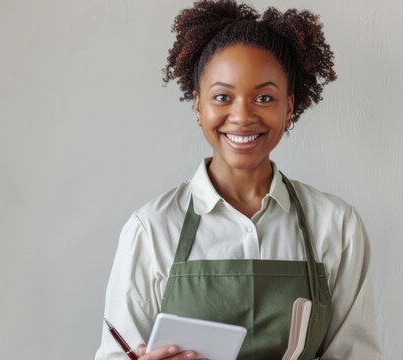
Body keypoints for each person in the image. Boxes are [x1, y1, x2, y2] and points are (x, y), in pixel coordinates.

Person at [94, 1, 382, 359]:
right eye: (222, 97)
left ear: (289, 107)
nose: (242, 116)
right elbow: (116, 353)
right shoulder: (151, 229)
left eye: (264, 97)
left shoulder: (337, 226)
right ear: (198, 105)